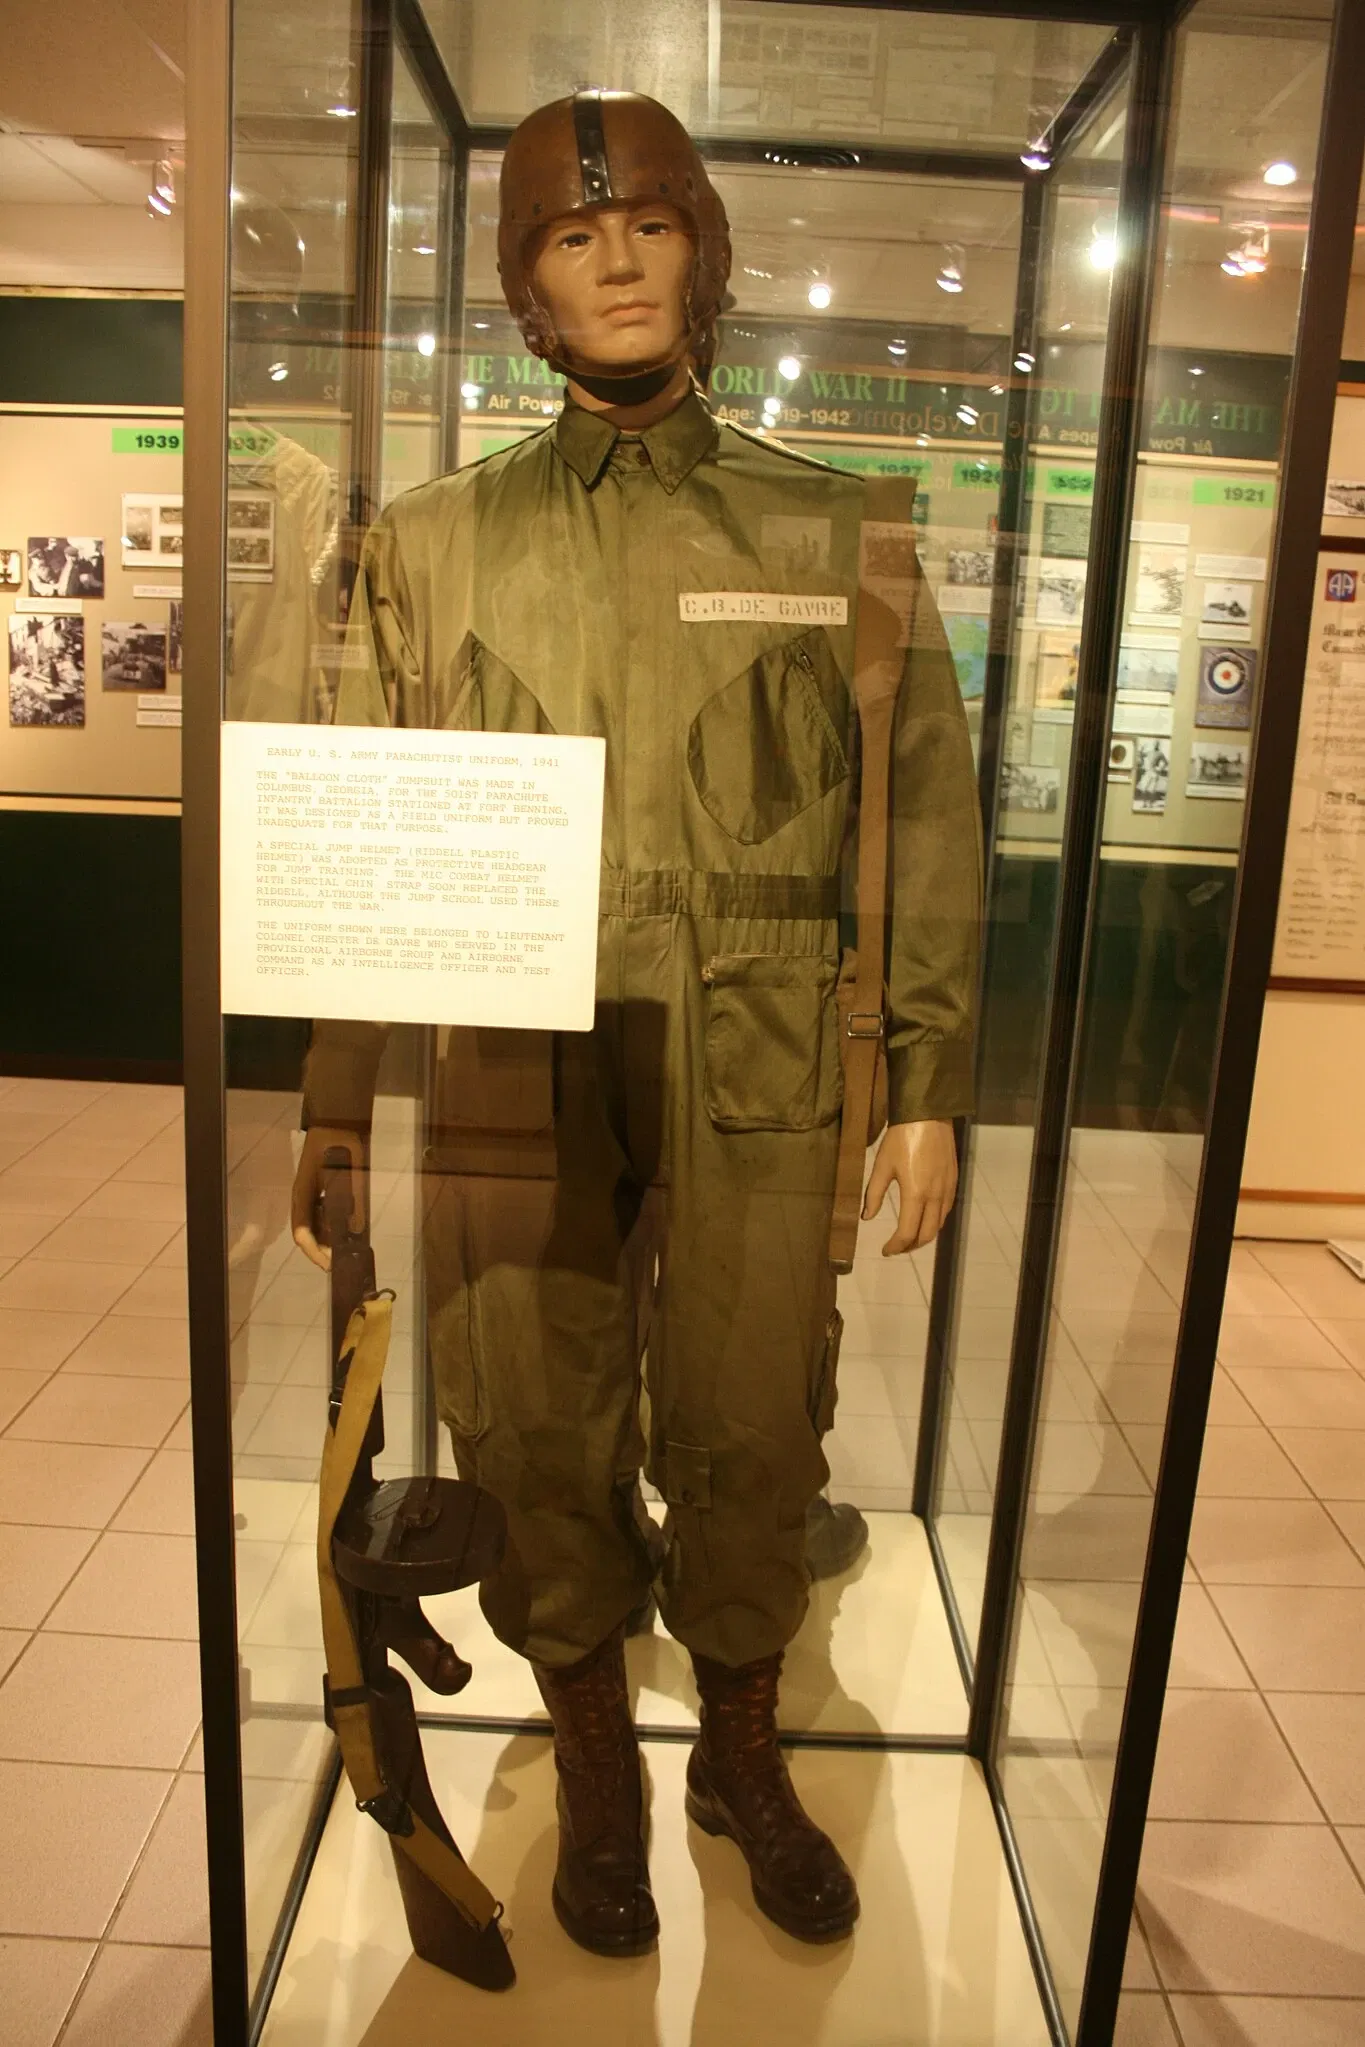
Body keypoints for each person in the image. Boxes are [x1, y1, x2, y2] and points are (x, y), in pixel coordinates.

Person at [292, 89, 980, 1961]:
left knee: (759, 1400)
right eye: (570, 238)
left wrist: (923, 1076)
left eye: (649, 228)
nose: (614, 260)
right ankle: (592, 1753)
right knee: (532, 1397)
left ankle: (737, 1753)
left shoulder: (830, 524)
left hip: (761, 1039)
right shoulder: (432, 541)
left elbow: (919, 813)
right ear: (524, 281)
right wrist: (339, 1094)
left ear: (703, 255)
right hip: (511, 1043)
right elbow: (364, 811)